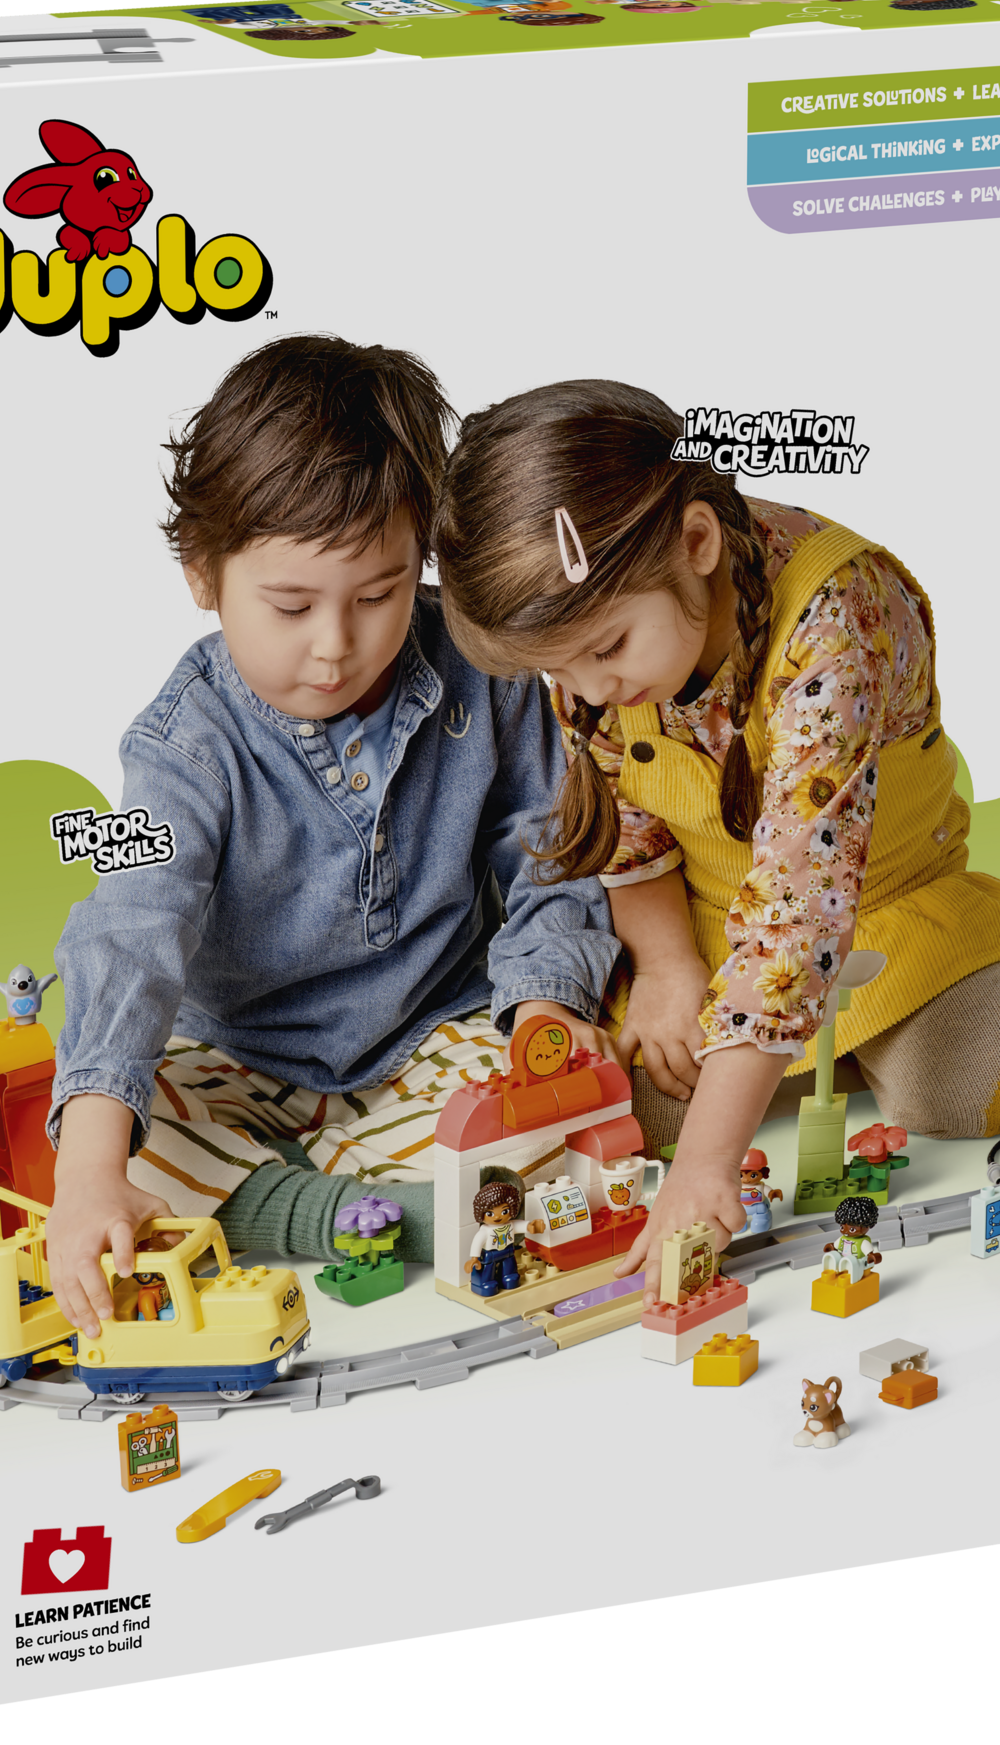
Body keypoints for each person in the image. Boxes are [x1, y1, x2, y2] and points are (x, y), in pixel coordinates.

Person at [46, 338, 621, 1339]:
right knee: (112, 1143)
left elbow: (551, 849)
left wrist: (545, 1009)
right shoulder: (179, 745)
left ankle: (314, 1196)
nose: (335, 645)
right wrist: (91, 1168)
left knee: (550, 1123)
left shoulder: (483, 671)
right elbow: (128, 926)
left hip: (429, 1033)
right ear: (202, 574)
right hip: (234, 1062)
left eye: (378, 596)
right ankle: (347, 1213)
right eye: (290, 605)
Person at [431, 379, 1000, 1291]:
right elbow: (627, 829)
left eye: (606, 650)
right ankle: (798, 1053)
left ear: (697, 544)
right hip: (715, 926)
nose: (590, 690)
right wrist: (665, 968)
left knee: (968, 1093)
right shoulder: (598, 661)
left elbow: (800, 913)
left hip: (883, 909)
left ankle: (960, 1000)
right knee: (629, 1121)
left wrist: (708, 1166)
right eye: (557, 671)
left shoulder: (836, 619)